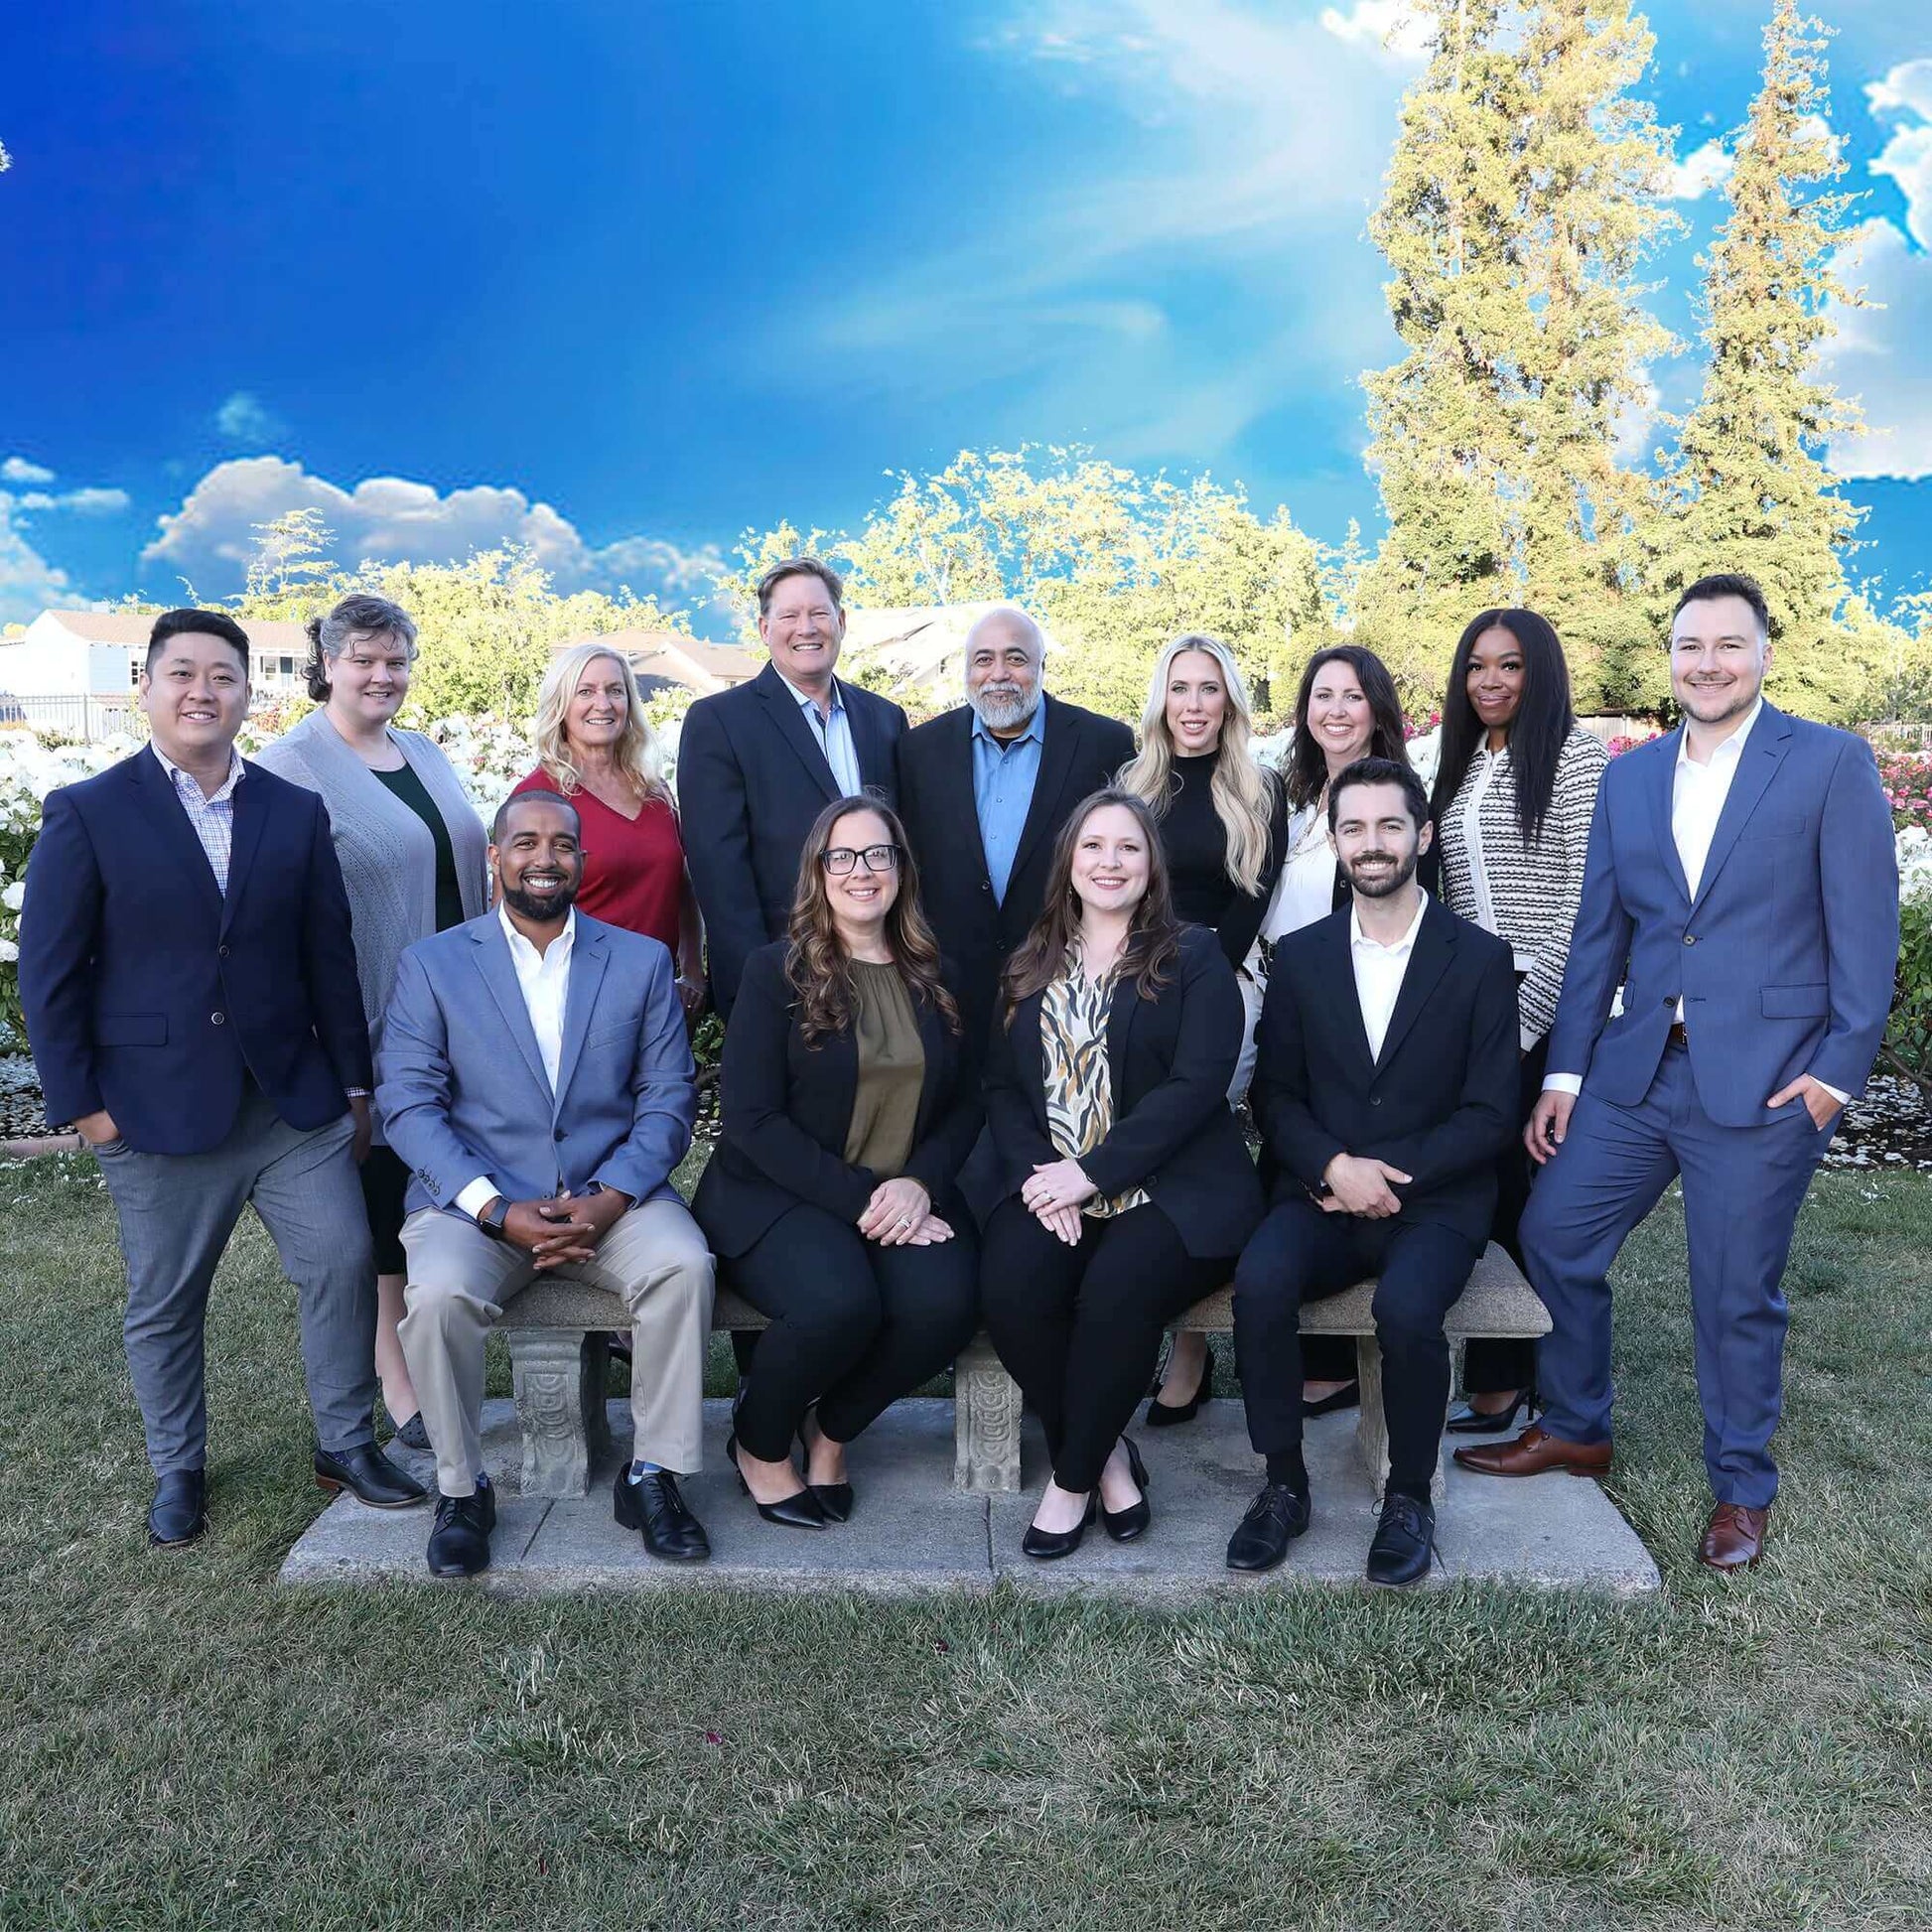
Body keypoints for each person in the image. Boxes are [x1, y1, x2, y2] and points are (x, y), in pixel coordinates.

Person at [1456, 574, 1898, 1572]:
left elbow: (1864, 935)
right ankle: (1574, 1421)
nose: (1706, 662)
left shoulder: (1826, 762)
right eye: (1688, 645)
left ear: (1762, 655)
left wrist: (1835, 1072)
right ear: (1669, 658)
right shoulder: (1631, 774)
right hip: (1638, 1068)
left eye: (1726, 644)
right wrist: (1563, 1073)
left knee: (1732, 1286)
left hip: (1768, 1078)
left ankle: (1740, 1483)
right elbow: (1597, 933)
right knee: (1552, 1231)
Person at [18, 609, 425, 1546]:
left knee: (340, 1265)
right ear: (146, 688)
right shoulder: (89, 811)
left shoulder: (292, 808)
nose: (203, 691)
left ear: (250, 691)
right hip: (154, 1112)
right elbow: (50, 978)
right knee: (166, 1302)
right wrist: (86, 1111)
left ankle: (345, 1440)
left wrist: (353, 1086)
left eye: (223, 676)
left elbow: (328, 953)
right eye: (182, 674)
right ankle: (179, 1468)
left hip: (291, 1104)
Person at [376, 791, 714, 1577]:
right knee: (435, 1299)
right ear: (494, 860)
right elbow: (409, 1103)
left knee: (684, 1266)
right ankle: (462, 1490)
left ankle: (655, 1475)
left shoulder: (638, 961)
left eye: (563, 845)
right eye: (524, 842)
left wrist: (612, 1198)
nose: (545, 858)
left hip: (613, 1198)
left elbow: (669, 1099)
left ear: (582, 865)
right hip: (475, 1206)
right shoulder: (433, 965)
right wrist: (493, 1208)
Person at [1225, 758, 1518, 1586]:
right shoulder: (1302, 955)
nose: (1372, 843)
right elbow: (1275, 1093)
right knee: (1261, 1282)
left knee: (1407, 1308)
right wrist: (1332, 1167)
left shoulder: (1480, 959)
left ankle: (1411, 1496)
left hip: (1438, 1202)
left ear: (1422, 835)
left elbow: (1492, 1112)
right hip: (1321, 1189)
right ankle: (1283, 1482)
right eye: (1353, 828)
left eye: (1390, 825)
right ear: (1337, 840)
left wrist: (1389, 1177)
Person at [979, 789, 1263, 1560]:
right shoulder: (1029, 961)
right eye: (1094, 846)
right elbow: (1002, 1089)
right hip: (1052, 1181)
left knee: (1115, 1292)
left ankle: (1071, 1480)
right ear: (1069, 862)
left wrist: (1091, 1174)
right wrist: (1046, 1175)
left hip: (1174, 1188)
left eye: (1129, 848)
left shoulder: (1194, 954)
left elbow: (1196, 1086)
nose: (1111, 862)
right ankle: (1109, 1455)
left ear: (1152, 865)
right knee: (1009, 1284)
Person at [692, 797, 982, 1529]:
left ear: (901, 870)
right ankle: (758, 1442)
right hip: (784, 1196)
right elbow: (753, 1122)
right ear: (817, 873)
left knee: (946, 1303)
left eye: (878, 854)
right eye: (843, 857)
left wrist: (918, 1184)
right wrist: (863, 1201)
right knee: (839, 1303)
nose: (862, 871)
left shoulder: (937, 972)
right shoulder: (774, 973)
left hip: (902, 1193)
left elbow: (972, 1102)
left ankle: (831, 1431)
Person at [256, 594, 490, 1454]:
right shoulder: (289, 766)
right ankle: (396, 1376)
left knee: (434, 1182)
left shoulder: (424, 753)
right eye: (362, 659)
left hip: (454, 1012)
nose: (381, 676)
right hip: (361, 1014)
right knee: (378, 1195)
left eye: (394, 661)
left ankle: (441, 1338)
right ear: (326, 663)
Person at [1429, 609, 1608, 1434]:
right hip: (1475, 1010)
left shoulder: (1575, 759)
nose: (1491, 681)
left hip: (1544, 1012)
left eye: (1509, 665)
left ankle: (1534, 1387)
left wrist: (1523, 1027)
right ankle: (1500, 1380)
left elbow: (1584, 908)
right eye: (1476, 666)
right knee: (1489, 1196)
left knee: (1535, 1203)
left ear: (1541, 671)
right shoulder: (1465, 761)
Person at [1254, 642, 1436, 1417]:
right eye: (1321, 695)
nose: (1334, 710)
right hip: (1281, 994)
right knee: (1284, 1156)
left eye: (1352, 696)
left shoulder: (1398, 799)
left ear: (1378, 709)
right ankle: (1303, 1354)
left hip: (1369, 1008)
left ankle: (1331, 1368)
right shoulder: (1285, 798)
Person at [1116, 632, 1286, 1428]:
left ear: (1230, 703)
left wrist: (1196, 984)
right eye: (1179, 689)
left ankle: (1188, 1348)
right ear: (1161, 700)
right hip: (1127, 989)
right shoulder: (1129, 786)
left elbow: (1250, 907)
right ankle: (1134, 1306)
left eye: (1208, 689)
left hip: (1220, 987)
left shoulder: (1261, 789)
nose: (1192, 705)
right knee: (1137, 1143)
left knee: (1196, 1143)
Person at [678, 558, 907, 1021]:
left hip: (884, 973)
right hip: (784, 979)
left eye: (820, 614)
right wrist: (762, 989)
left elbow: (903, 849)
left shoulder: (885, 719)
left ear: (841, 622)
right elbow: (720, 875)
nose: (807, 628)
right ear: (764, 628)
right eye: (789, 616)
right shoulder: (719, 722)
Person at [895, 606, 1135, 1042]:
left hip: (1064, 982)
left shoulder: (1105, 745)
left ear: (1042, 666)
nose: (998, 673)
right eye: (983, 659)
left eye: (1016, 658)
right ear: (967, 670)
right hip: (946, 990)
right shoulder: (918, 751)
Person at [511, 641, 705, 1021]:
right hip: (576, 1003)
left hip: (658, 1000)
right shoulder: (538, 798)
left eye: (615, 690)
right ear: (561, 705)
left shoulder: (654, 792)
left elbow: (682, 884)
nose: (603, 704)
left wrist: (693, 970)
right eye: (586, 691)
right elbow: (513, 915)